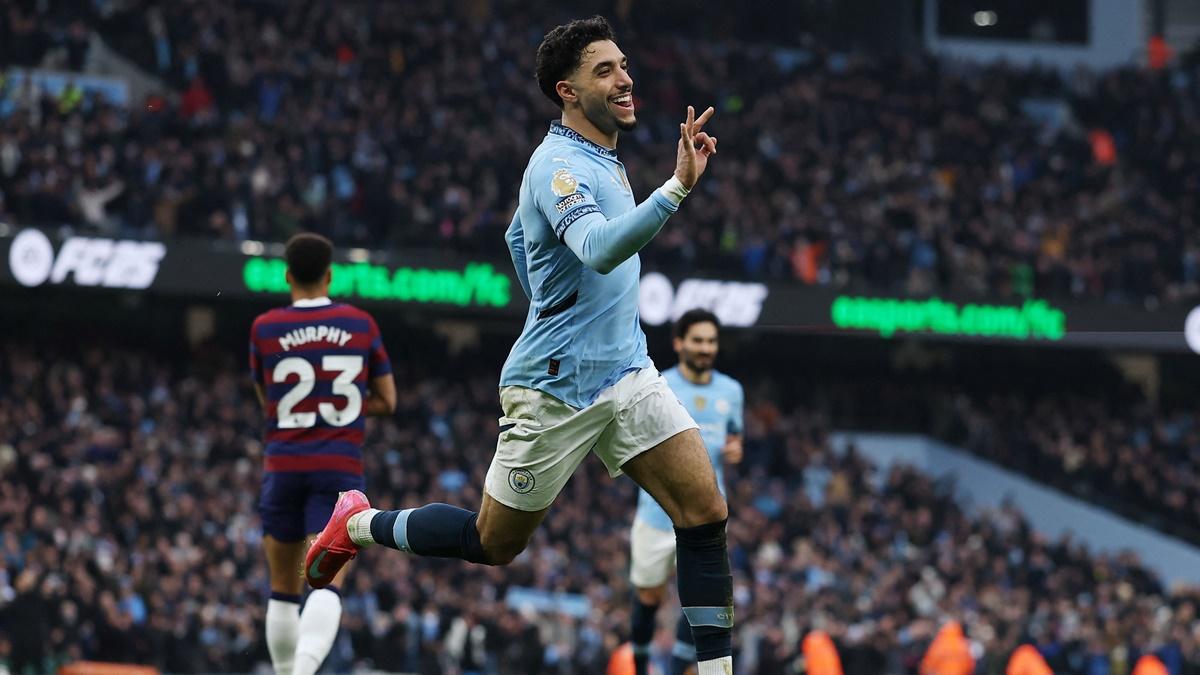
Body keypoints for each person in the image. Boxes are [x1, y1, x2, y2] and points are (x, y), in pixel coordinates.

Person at [304, 15, 735, 674]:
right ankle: (358, 522)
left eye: (623, 65)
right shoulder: (559, 164)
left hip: (627, 369)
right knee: (492, 542)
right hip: (556, 387)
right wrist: (676, 188)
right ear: (567, 91)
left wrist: (550, 300)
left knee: (705, 509)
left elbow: (514, 237)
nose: (625, 79)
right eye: (605, 71)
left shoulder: (599, 157)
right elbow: (593, 249)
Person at [249, 232, 397, 675]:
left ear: (288, 276)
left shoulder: (265, 327)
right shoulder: (360, 324)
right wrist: (348, 407)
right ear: (330, 275)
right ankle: (304, 671)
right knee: (326, 585)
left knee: (282, 587)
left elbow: (267, 400)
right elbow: (389, 400)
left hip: (284, 463)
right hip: (338, 467)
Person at [628, 309, 743, 675]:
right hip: (655, 514)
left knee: (696, 597)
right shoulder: (659, 384)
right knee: (648, 595)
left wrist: (735, 450)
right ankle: (641, 662)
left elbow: (734, 437)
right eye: (697, 340)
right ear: (679, 343)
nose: (705, 348)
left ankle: (680, 667)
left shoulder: (732, 391)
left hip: (705, 516)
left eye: (711, 341)